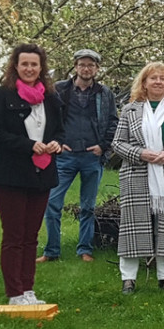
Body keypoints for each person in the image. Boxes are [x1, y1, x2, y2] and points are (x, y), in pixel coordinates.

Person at [0, 44, 64, 306]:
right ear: (15, 67)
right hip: (10, 175)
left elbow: (60, 132)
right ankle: (14, 292)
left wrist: (56, 144)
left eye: (34, 64)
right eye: (24, 64)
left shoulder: (52, 99)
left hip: (41, 174)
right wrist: (28, 145)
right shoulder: (2, 95)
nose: (29, 69)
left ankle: (28, 289)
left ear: (42, 68)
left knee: (32, 235)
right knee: (14, 235)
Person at [111, 63, 164, 294]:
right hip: (137, 174)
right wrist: (140, 153)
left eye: (163, 79)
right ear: (144, 82)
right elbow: (117, 143)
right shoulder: (131, 110)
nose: (158, 82)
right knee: (133, 226)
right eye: (153, 78)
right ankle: (128, 278)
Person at [40, 49, 119, 263]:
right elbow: (48, 118)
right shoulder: (59, 90)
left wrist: (103, 147)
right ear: (75, 67)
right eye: (82, 64)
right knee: (53, 203)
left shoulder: (104, 94)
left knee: (88, 206)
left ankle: (85, 249)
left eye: (91, 65)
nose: (86, 69)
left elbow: (113, 122)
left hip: (91, 157)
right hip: (65, 156)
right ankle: (51, 251)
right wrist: (57, 142)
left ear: (97, 69)